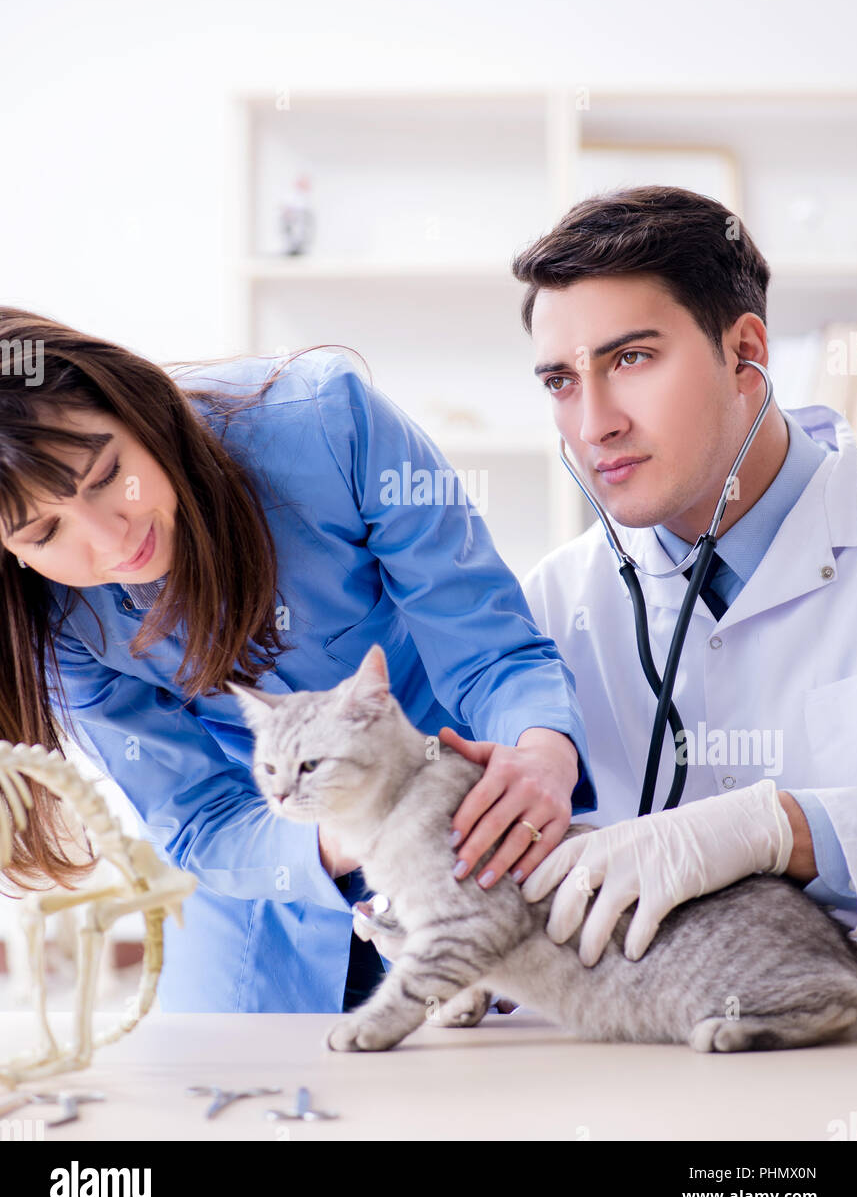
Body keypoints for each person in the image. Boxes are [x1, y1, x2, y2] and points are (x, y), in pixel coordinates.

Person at [0, 308, 593, 1012]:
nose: (108, 536)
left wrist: (542, 756)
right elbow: (196, 817)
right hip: (259, 895)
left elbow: (487, 648)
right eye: (44, 532)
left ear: (138, 410)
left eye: (107, 476)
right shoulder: (53, 620)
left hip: (466, 828)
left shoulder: (322, 424)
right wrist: (349, 833)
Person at [494, 186, 857, 964]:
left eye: (630, 359)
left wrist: (777, 829)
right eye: (560, 380)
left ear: (745, 354)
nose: (594, 423)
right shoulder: (552, 607)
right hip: (650, 1063)